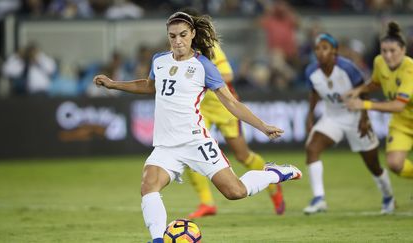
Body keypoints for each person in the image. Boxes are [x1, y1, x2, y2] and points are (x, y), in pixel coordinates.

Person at [93, 11, 302, 243]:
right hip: (166, 145)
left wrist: (262, 126)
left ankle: (273, 173)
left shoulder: (203, 66)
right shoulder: (159, 61)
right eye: (172, 36)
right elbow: (148, 85)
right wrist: (113, 85)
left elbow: (231, 103)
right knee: (148, 185)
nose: (178, 41)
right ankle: (158, 240)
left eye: (183, 34)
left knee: (236, 192)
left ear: (192, 34)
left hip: (196, 141)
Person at [180, 8, 285, 219]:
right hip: (200, 108)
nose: (179, 37)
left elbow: (227, 73)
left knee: (242, 155)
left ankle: (273, 185)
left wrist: (202, 76)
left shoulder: (210, 48)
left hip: (223, 106)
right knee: (192, 150)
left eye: (184, 31)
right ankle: (207, 203)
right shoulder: (179, 51)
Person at [303, 33, 395, 215]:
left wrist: (364, 119)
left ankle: (388, 196)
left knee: (373, 165)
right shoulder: (311, 71)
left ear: (334, 51)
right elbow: (314, 93)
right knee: (312, 148)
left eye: (325, 48)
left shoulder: (347, 68)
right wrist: (310, 115)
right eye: (317, 49)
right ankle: (319, 198)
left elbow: (365, 92)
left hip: (355, 117)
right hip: (332, 117)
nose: (320, 52)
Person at [345, 21, 413, 179]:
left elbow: (397, 106)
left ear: (403, 50)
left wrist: (364, 104)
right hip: (402, 123)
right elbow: (376, 82)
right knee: (395, 164)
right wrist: (359, 90)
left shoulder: (410, 70)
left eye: (393, 51)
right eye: (384, 51)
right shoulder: (379, 62)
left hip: (401, 112)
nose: (388, 55)